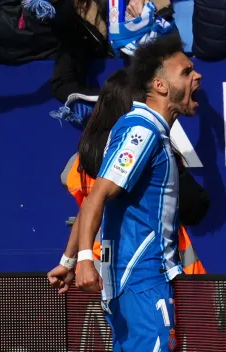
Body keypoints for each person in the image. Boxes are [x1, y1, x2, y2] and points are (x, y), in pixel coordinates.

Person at [73, 33, 201, 351]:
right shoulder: (142, 131)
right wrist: (84, 261)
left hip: (138, 284)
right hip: (143, 285)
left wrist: (67, 259)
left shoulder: (144, 128)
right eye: (185, 72)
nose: (197, 75)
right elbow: (97, 196)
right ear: (160, 86)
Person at [47, 68, 207, 294]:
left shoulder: (82, 161)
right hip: (155, 272)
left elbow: (88, 205)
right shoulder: (144, 147)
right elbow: (196, 205)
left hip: (101, 271)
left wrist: (70, 260)